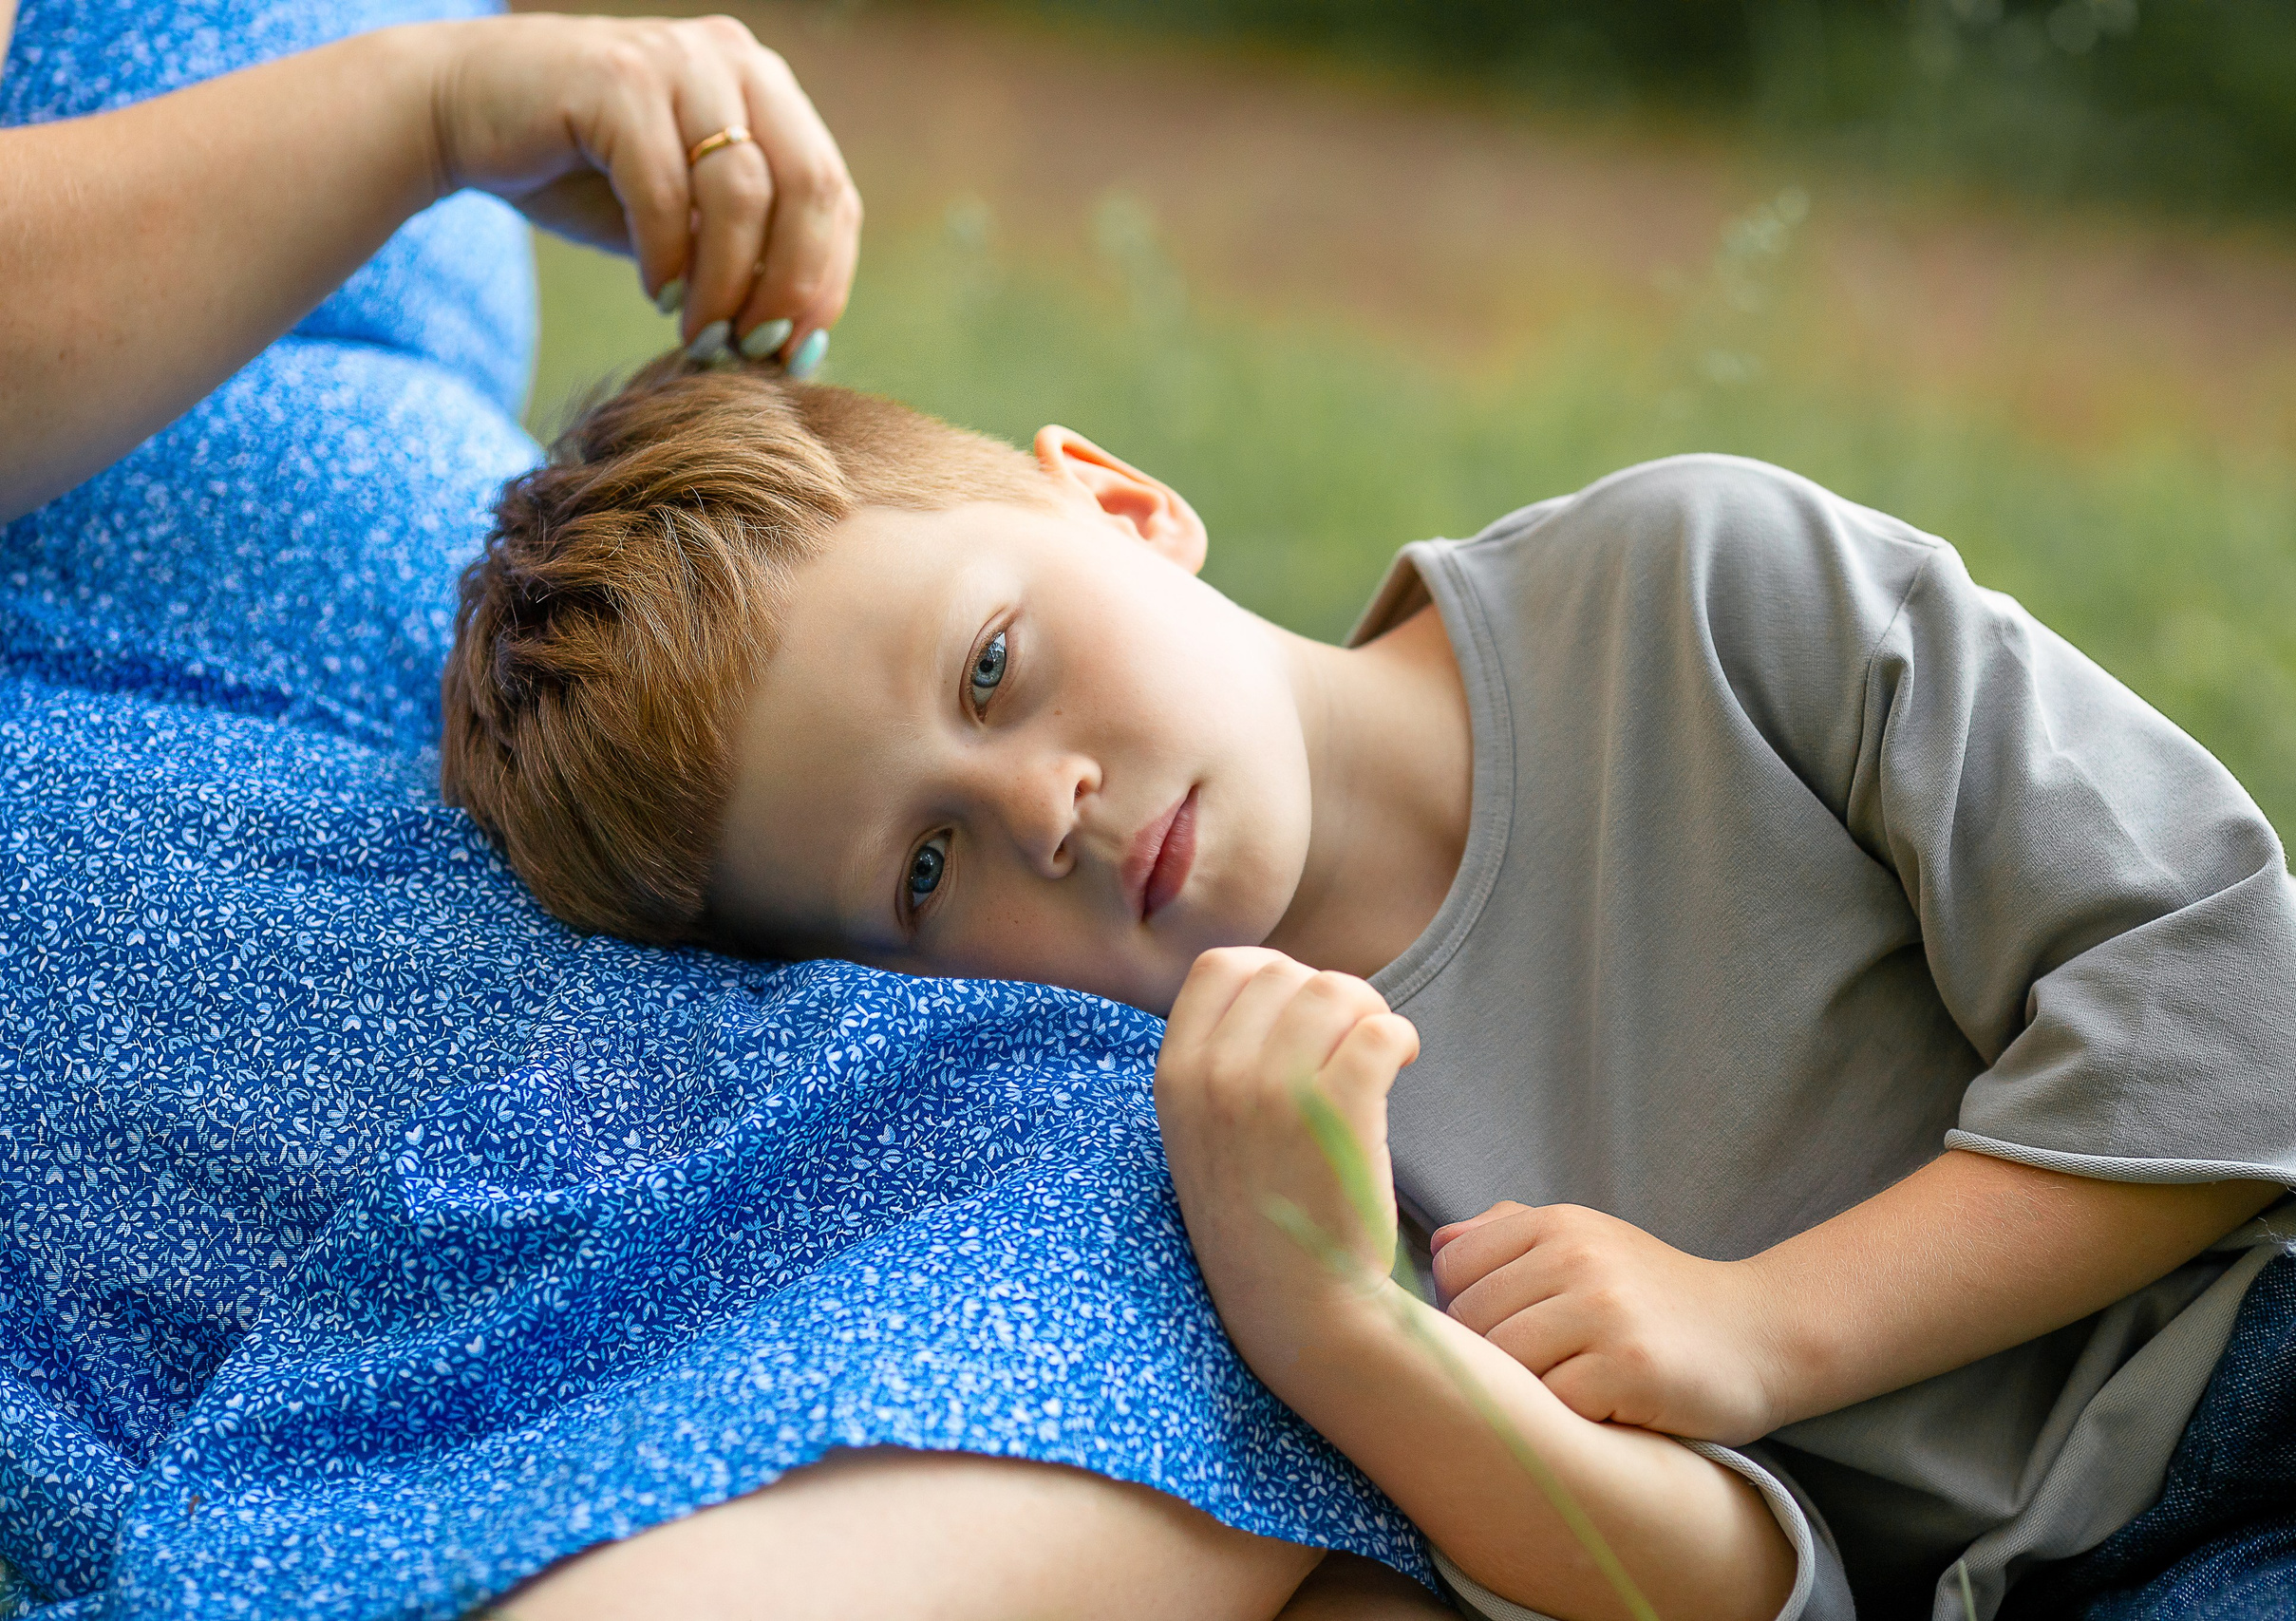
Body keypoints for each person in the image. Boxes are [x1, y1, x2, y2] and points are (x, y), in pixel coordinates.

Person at [443, 353, 2296, 1621]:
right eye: (925, 869)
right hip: (2096, 1555)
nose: (1041, 805)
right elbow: (1773, 1584)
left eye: (989, 668)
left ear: (1117, 501)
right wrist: (1342, 1331)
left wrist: (1753, 1325)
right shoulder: (1244, 1155)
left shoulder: (1688, 593)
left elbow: (2249, 1028)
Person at [0, 2, 1457, 1616]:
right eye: (936, 838)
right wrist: (425, 116)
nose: (1045, 804)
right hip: (136, 801)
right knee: (1092, 1177)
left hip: (451, 753)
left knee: (1159, 1218)